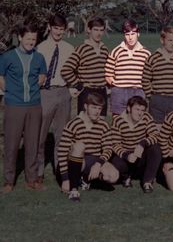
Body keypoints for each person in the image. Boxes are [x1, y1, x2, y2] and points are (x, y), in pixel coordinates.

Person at [0, 23, 47, 192]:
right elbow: (1, 76)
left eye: (34, 39)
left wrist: (35, 86)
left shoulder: (39, 57)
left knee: (32, 144)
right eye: (28, 39)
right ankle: (8, 181)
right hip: (14, 105)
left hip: (34, 106)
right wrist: (9, 91)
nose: (31, 42)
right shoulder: (8, 57)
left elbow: (42, 76)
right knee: (11, 144)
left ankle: (32, 179)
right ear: (20, 37)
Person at [57, 92, 119, 201]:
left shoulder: (103, 125)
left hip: (94, 159)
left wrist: (98, 164)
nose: (97, 112)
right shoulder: (73, 124)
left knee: (113, 176)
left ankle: (86, 179)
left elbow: (108, 148)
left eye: (99, 109)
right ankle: (74, 189)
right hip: (76, 160)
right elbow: (62, 152)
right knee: (79, 145)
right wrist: (65, 178)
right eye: (94, 107)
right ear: (85, 106)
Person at [36, 14, 75, 183]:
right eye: (55, 28)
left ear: (65, 30)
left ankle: (61, 171)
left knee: (62, 135)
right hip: (45, 93)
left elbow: (75, 71)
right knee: (40, 135)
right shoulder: (41, 47)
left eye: (61, 29)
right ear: (49, 27)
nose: (58, 32)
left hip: (63, 92)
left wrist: (73, 88)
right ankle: (38, 172)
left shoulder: (69, 48)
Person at [110, 96, 162, 193]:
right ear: (128, 108)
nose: (140, 113)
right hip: (126, 155)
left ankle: (147, 181)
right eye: (137, 109)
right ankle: (126, 177)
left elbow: (155, 135)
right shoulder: (118, 120)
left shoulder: (146, 117)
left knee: (155, 148)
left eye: (142, 110)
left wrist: (143, 143)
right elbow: (115, 144)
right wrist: (126, 155)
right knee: (116, 162)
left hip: (140, 153)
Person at [61, 17, 109, 116]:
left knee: (100, 124)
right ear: (88, 30)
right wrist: (78, 84)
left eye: (101, 30)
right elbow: (66, 69)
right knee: (85, 124)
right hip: (88, 92)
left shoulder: (105, 49)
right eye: (95, 30)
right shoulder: (82, 49)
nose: (98, 33)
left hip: (102, 92)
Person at [142, 27, 173, 123]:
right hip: (158, 98)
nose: (172, 43)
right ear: (162, 40)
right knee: (156, 126)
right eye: (169, 40)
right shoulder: (153, 58)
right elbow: (145, 79)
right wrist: (151, 96)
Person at [105, 19, 150, 115]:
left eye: (133, 34)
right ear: (124, 35)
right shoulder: (116, 51)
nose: (130, 38)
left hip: (138, 91)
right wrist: (115, 84)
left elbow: (151, 76)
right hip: (119, 92)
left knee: (137, 124)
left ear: (138, 34)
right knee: (118, 123)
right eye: (127, 34)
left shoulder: (146, 53)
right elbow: (108, 73)